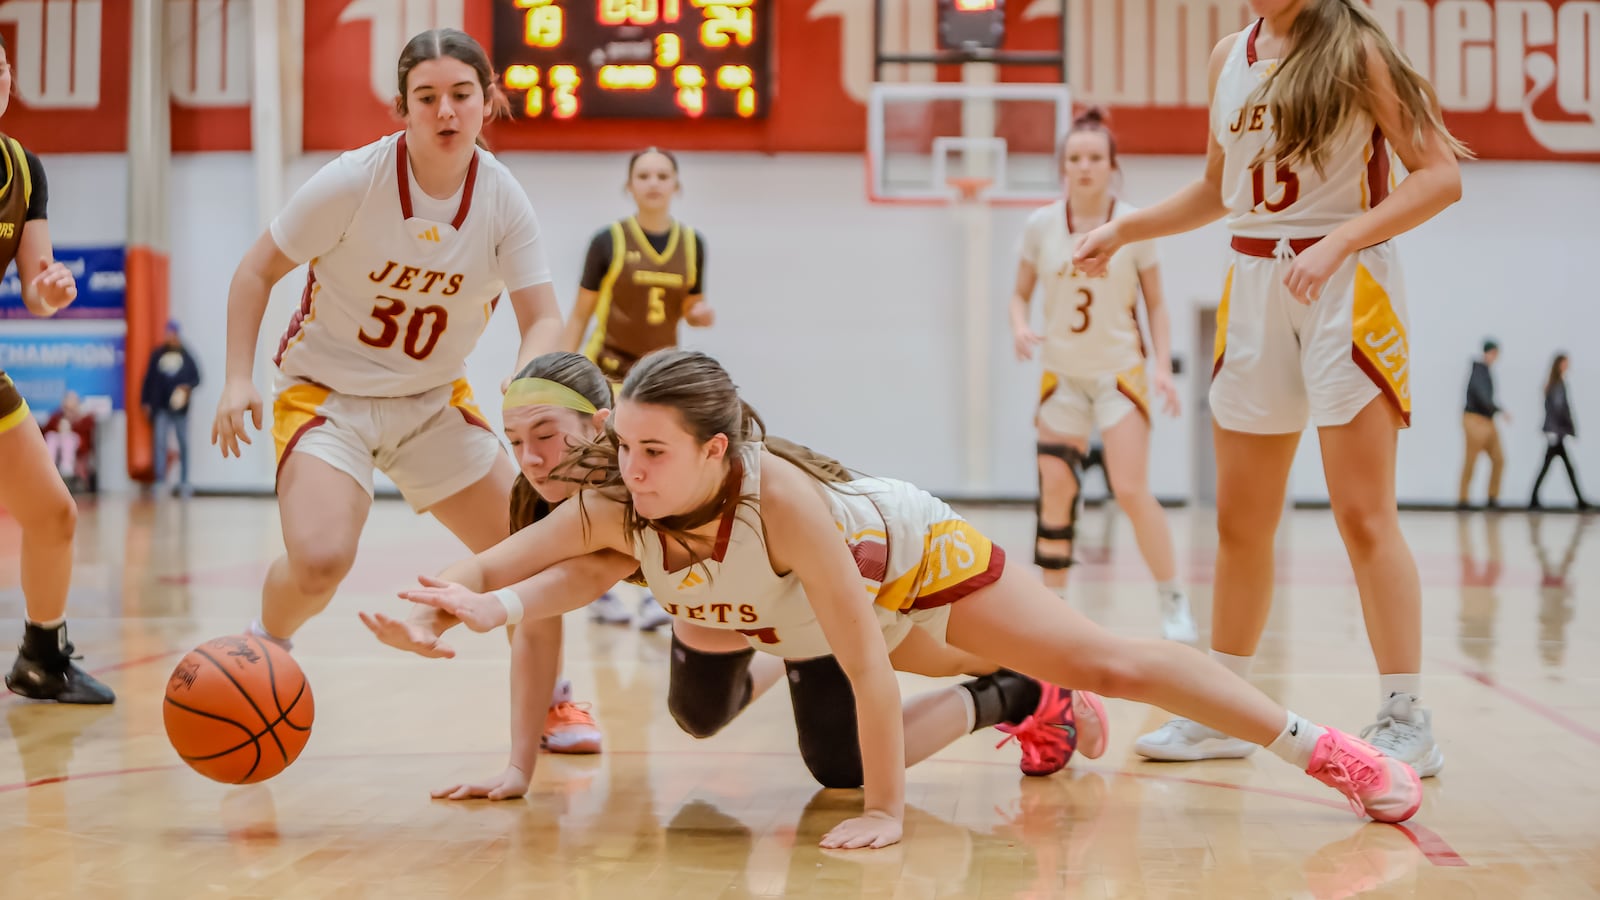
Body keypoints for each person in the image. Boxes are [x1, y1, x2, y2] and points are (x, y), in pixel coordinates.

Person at [391, 349, 1423, 850]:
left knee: (1105, 659)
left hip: (914, 567)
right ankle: (1027, 700)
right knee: (782, 743)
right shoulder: (624, 501)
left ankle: (1327, 747)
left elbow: (866, 666)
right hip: (807, 613)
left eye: (652, 451)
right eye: (626, 449)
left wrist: (889, 813)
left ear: (716, 452)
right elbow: (498, 566)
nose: (632, 469)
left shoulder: (781, 502)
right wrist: (439, 610)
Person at [366, 351, 1107, 798]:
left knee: (844, 767)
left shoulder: (644, 476)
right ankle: (793, 663)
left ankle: (1024, 685)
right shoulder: (548, 503)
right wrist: (516, 769)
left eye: (546, 437)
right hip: (717, 607)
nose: (527, 457)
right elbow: (533, 612)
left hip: (795, 593)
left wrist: (485, 603)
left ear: (603, 425)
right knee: (698, 717)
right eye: (515, 440)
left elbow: (567, 585)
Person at [1073, 0, 1466, 778]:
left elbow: (1440, 176)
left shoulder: (1359, 52)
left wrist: (1343, 239)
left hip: (1348, 283)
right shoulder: (1229, 56)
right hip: (1253, 283)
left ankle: (1405, 717)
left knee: (1362, 513)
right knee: (1240, 521)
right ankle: (1225, 709)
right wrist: (1126, 229)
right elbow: (1220, 190)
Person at [209, 28, 598, 751]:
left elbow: (542, 316)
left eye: (461, 95)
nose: (445, 111)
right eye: (427, 98)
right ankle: (268, 641)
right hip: (327, 397)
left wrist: (529, 373)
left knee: (531, 551)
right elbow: (255, 271)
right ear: (402, 108)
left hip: (431, 401)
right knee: (321, 560)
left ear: (489, 102)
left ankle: (553, 700)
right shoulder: (353, 181)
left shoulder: (502, 198)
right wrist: (237, 376)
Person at [1008, 105, 1196, 642]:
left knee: (1132, 490)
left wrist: (1162, 366)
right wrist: (1020, 326)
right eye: (1074, 158)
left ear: (1112, 166)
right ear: (1062, 166)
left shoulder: (1135, 224)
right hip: (1061, 373)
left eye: (1094, 157)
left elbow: (1157, 306)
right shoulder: (1040, 225)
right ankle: (1054, 610)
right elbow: (1019, 294)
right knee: (1055, 488)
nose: (1084, 166)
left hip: (1119, 375)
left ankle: (1173, 599)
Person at [0, 32, 115, 704]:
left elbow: (35, 286)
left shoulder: (22, 167)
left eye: (1, 68)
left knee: (53, 514)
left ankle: (43, 657)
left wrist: (51, 290)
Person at [561, 147, 711, 632]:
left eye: (662, 174)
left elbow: (690, 304)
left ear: (676, 185)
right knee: (608, 486)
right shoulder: (608, 241)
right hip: (609, 378)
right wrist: (560, 371)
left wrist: (699, 314)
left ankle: (655, 594)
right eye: (643, 175)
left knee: (663, 487)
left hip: (661, 383)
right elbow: (581, 313)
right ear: (630, 186)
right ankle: (599, 589)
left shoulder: (693, 243)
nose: (653, 182)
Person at [142, 321, 202, 496]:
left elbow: (197, 378)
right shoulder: (158, 355)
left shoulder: (186, 355)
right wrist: (145, 401)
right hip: (161, 407)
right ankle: (160, 480)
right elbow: (148, 379)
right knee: (160, 443)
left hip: (180, 410)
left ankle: (184, 481)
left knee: (183, 443)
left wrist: (185, 388)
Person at [1529, 352, 1588, 511]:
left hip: (1556, 432)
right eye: (1565, 362)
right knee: (1562, 467)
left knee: (1556, 467)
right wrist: (1566, 428)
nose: (1568, 365)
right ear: (1559, 364)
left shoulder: (1555, 383)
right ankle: (1580, 501)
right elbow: (1559, 409)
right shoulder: (1557, 385)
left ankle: (1534, 498)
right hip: (1556, 433)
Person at [1460, 339, 1506, 510]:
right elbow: (1480, 395)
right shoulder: (1479, 370)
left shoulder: (1487, 371)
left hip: (1488, 420)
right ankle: (1463, 499)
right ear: (1489, 353)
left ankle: (1492, 498)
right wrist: (1498, 409)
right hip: (1475, 420)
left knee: (1499, 459)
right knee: (1471, 460)